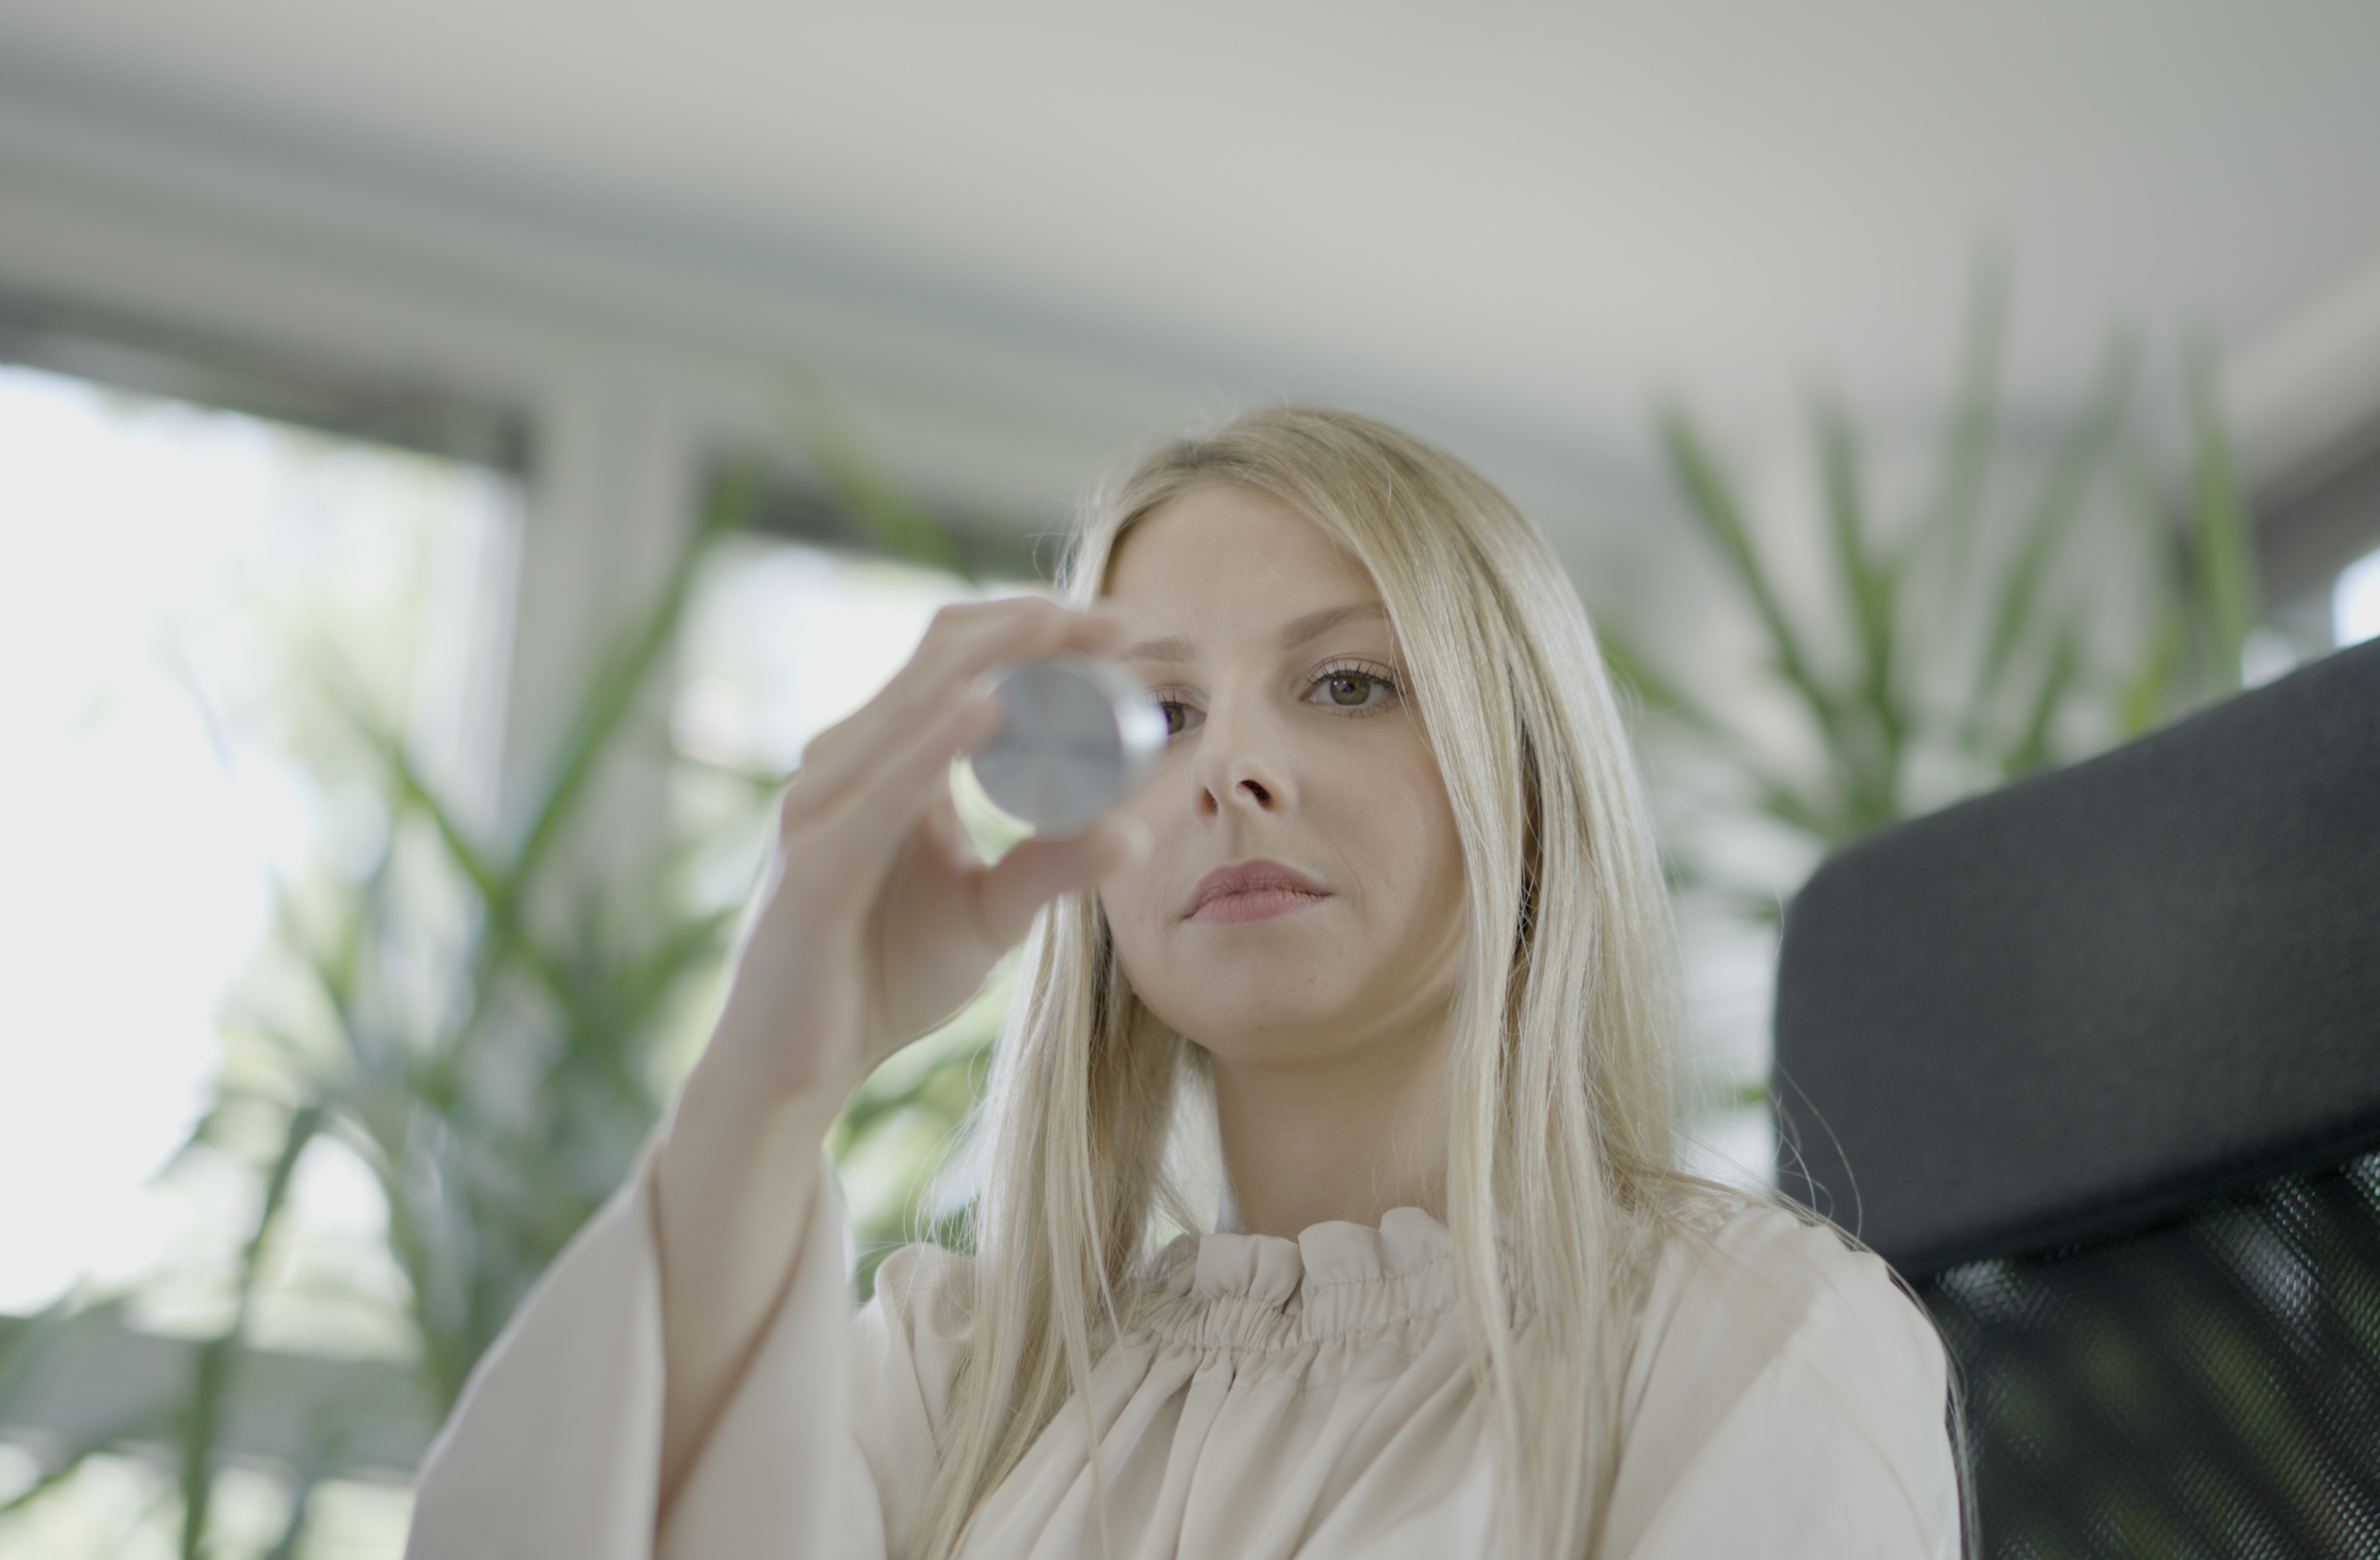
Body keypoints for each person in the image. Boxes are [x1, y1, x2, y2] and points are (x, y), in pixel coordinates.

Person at [405, 406, 1960, 1559]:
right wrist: (767, 1082)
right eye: (1153, 715)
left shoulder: (1745, 1339)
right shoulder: (954, 1387)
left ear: (1535, 797)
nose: (1234, 769)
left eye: (1347, 683)